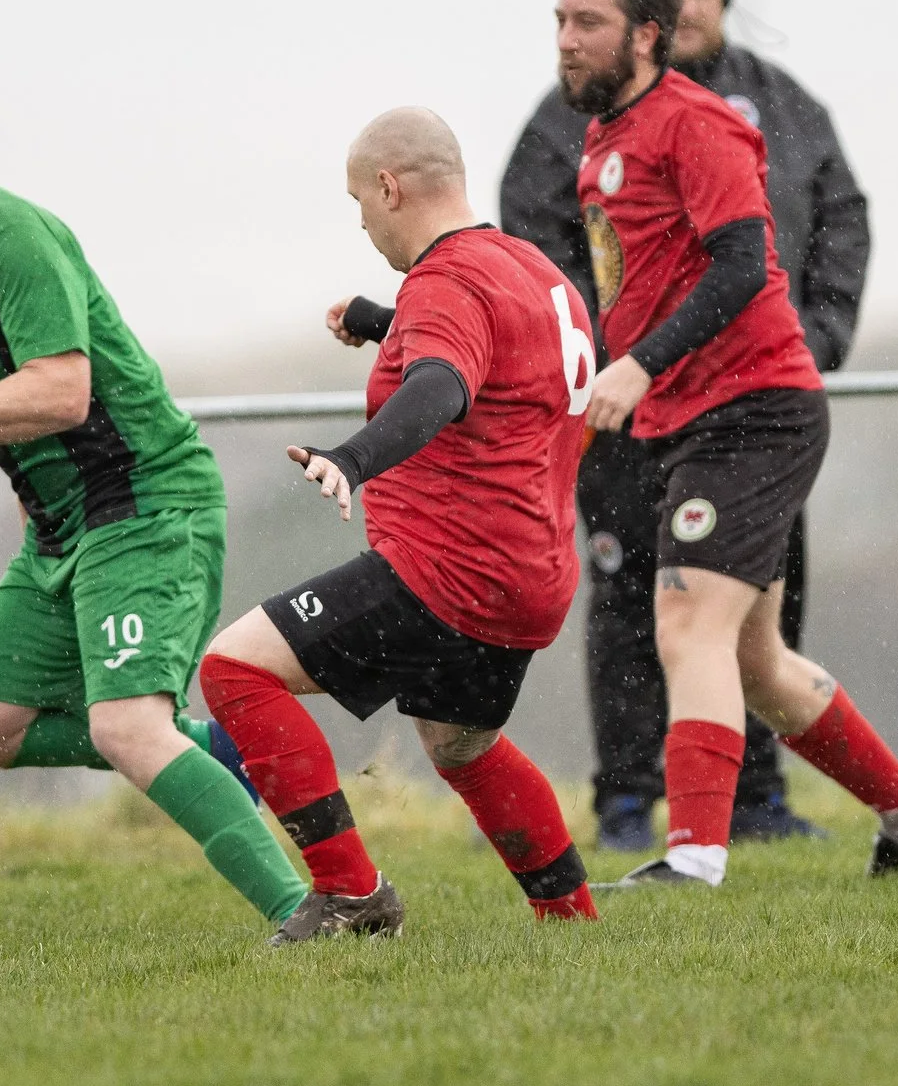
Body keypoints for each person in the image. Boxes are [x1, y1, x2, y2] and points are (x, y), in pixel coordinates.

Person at [0, 71, 307, 929]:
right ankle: (205, 753)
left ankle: (312, 913)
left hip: (145, 506)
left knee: (125, 728)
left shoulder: (10, 237)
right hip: (64, 530)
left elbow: (63, 392)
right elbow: (9, 409)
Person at [550, 0, 898, 889]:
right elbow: (634, 284)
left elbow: (744, 267)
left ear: (647, 35)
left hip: (757, 413)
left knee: (683, 629)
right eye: (561, 22)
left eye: (589, 24)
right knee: (755, 664)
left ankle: (695, 862)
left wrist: (640, 363)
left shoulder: (698, 126)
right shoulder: (603, 138)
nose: (568, 42)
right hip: (690, 419)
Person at [500, 0, 872, 852]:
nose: (693, 6)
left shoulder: (777, 108)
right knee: (637, 604)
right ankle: (629, 800)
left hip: (748, 405)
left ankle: (757, 805)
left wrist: (817, 337)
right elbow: (541, 254)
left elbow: (832, 224)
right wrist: (611, 361)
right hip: (626, 415)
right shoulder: (571, 123)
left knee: (750, 619)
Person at [199, 108, 599, 943]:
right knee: (460, 745)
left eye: (359, 203)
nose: (364, 223)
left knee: (235, 671)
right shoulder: (535, 271)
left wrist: (353, 458)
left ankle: (352, 894)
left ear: (390, 187)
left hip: (447, 570)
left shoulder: (446, 279)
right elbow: (499, 362)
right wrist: (387, 324)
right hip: (532, 572)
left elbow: (444, 388)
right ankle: (573, 919)